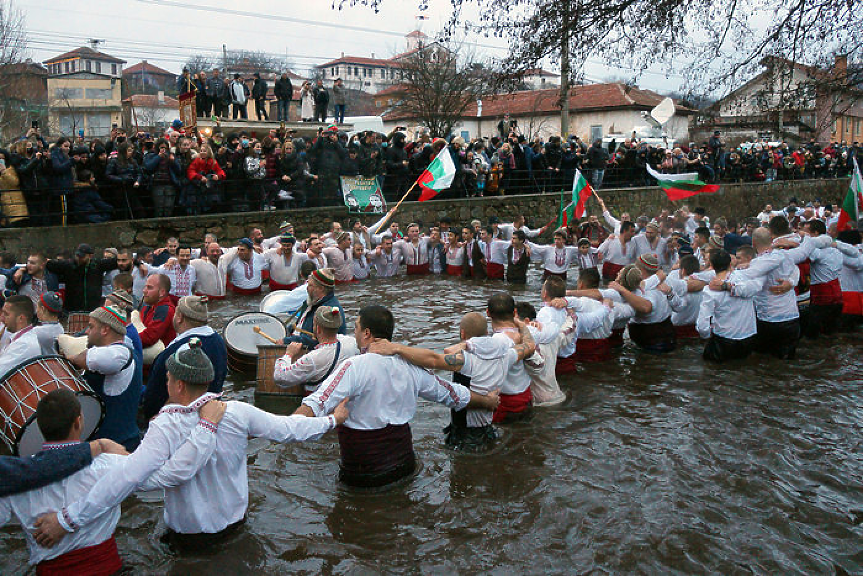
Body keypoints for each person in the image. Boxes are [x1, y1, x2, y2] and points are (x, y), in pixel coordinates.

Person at [33, 340, 344, 552]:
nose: (166, 383)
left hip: (189, 539)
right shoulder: (236, 411)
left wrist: (67, 520)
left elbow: (127, 479)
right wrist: (332, 420)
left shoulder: (165, 426)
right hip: (236, 528)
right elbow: (290, 428)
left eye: (168, 378)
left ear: (179, 384)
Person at [295, 305, 500, 487]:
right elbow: (453, 394)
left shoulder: (352, 366)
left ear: (367, 333)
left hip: (363, 472)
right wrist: (487, 401)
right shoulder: (410, 367)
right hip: (404, 466)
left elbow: (317, 402)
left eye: (356, 328)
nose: (354, 333)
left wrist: (286, 427)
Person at [0, 391, 131, 574]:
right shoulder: (110, 464)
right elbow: (152, 474)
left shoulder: (14, 482)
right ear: (78, 421)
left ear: (38, 427)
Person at [369, 311, 535, 452]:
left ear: (463, 333)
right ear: (487, 331)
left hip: (466, 435)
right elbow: (529, 346)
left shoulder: (466, 361)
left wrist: (397, 348)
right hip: (487, 428)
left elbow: (432, 360)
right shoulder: (506, 356)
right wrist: (522, 326)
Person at [64, 305, 142, 451]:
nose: (87, 331)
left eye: (91, 327)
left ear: (105, 329)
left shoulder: (120, 353)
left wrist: (71, 358)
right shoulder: (114, 352)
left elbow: (89, 358)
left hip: (118, 445)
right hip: (106, 446)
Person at [141, 295, 227, 421]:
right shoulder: (218, 340)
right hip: (211, 412)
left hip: (177, 419)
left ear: (179, 317)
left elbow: (162, 391)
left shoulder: (178, 350)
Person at [274, 305, 359, 394]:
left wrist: (289, 354)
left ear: (318, 329)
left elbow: (280, 377)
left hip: (319, 402)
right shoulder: (351, 342)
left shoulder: (313, 358)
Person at [697, 250, 759, 362]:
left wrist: (706, 336)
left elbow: (702, 325)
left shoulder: (709, 291)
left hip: (724, 339)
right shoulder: (744, 277)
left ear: (711, 266)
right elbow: (757, 286)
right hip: (748, 337)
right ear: (730, 264)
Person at [283, 268, 346, 348]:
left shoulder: (328, 311)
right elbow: (298, 325)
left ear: (321, 288)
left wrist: (286, 341)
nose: (307, 288)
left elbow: (317, 341)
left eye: (310, 285)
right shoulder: (310, 302)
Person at [46, 243, 117, 312]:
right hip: (72, 310)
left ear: (90, 256)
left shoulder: (97, 265)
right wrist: (46, 261)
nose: (79, 258)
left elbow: (116, 262)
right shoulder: (69, 265)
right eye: (77, 256)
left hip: (93, 309)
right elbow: (51, 264)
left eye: (82, 256)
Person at [0, 295, 40, 377]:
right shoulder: (20, 338)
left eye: (6, 314)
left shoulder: (24, 344)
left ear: (21, 318)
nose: (2, 318)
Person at [138, 274, 176, 348]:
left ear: (162, 292)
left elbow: (149, 338)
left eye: (149, 288)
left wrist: (124, 339)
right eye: (145, 287)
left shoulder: (165, 310)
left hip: (161, 357)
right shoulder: (148, 307)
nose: (144, 291)